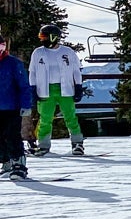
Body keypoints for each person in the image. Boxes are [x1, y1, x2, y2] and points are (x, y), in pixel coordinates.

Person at [28, 23, 85, 155]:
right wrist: (33, 89)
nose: (42, 39)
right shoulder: (38, 53)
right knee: (45, 118)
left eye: (44, 36)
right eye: (41, 36)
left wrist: (78, 86)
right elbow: (33, 72)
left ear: (53, 37)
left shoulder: (68, 52)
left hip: (65, 89)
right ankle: (43, 145)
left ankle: (77, 143)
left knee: (70, 116)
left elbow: (76, 70)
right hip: (45, 90)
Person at [0, 36, 31, 179]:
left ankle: (19, 164)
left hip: (12, 107)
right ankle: (6, 161)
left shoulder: (13, 64)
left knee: (12, 136)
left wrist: (26, 105)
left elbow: (24, 86)